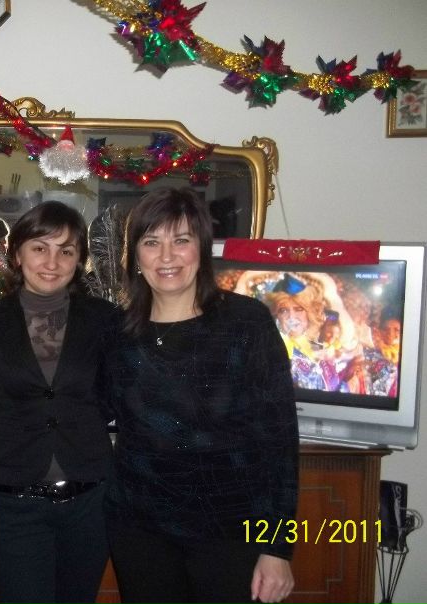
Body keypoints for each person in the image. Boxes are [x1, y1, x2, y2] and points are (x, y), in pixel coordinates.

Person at [105, 188, 299, 604]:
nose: (167, 256)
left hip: (232, 535)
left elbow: (280, 441)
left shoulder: (247, 323)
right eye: (151, 242)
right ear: (135, 255)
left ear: (202, 249)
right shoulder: (118, 333)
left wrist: (278, 547)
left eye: (181, 240)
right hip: (140, 533)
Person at [0, 201, 118, 604]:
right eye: (40, 248)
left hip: (89, 500)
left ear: (79, 260)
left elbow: (117, 394)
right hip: (15, 501)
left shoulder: (106, 319)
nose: (52, 262)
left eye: (66, 250)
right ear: (17, 254)